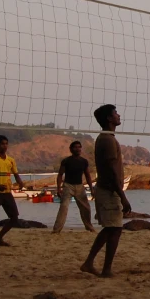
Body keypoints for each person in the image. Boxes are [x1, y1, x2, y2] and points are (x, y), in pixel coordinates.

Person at [81, 104, 132, 278]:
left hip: (108, 189)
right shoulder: (107, 140)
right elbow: (111, 170)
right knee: (115, 229)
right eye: (115, 113)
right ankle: (106, 269)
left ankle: (90, 263)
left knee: (111, 229)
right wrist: (122, 196)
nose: (118, 115)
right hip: (109, 190)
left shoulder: (107, 138)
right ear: (109, 118)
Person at [53, 141, 96, 234]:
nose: (78, 149)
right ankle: (56, 230)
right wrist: (59, 188)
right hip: (68, 186)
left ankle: (89, 227)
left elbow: (88, 175)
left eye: (79, 147)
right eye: (75, 147)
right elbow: (60, 174)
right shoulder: (66, 161)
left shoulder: (84, 161)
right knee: (63, 207)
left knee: (86, 208)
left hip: (80, 186)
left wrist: (92, 189)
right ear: (71, 149)